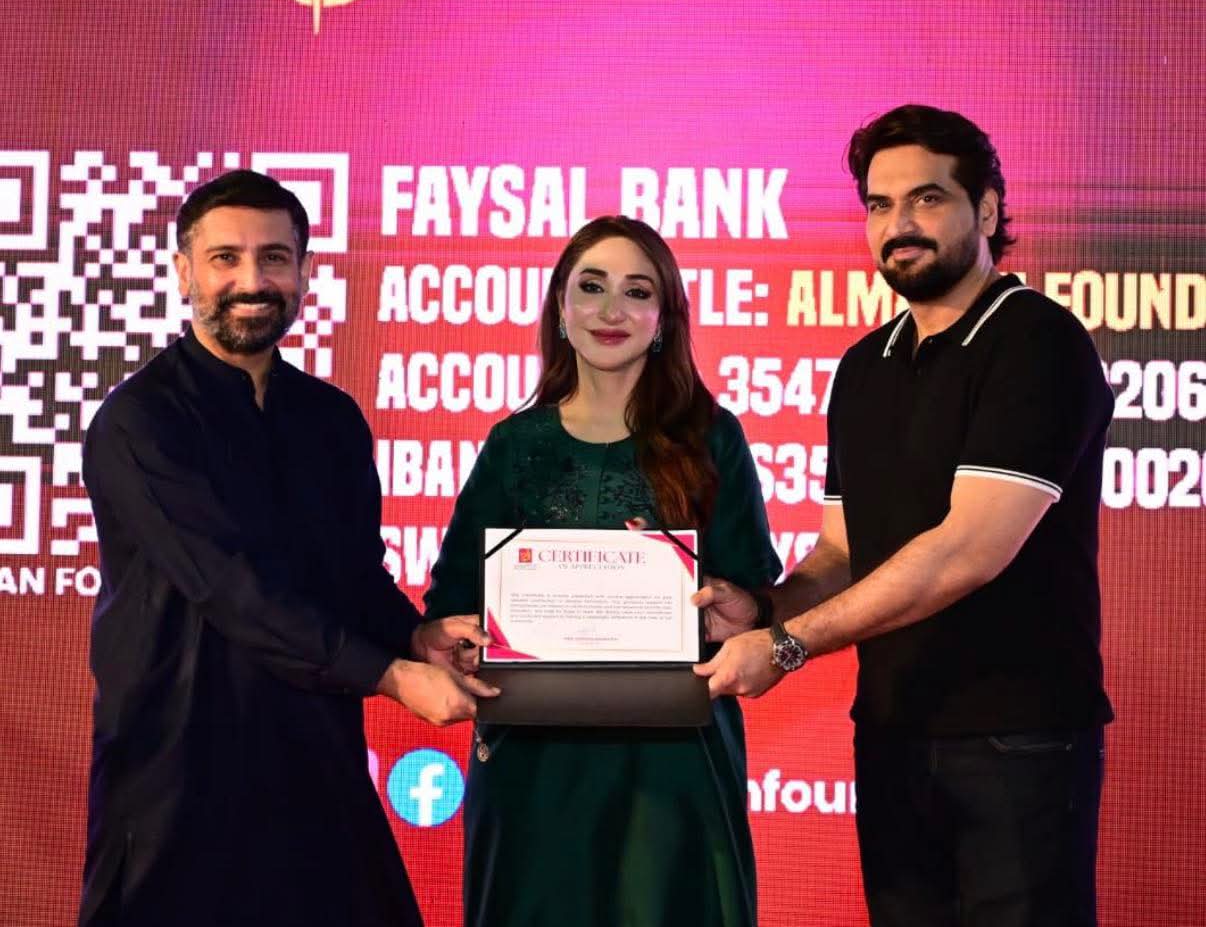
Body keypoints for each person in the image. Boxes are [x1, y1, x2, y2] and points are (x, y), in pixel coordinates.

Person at [697, 106, 1114, 926]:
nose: (899, 226)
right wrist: (764, 608)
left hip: (1018, 741)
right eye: (880, 205)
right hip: (892, 735)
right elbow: (841, 553)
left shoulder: (1038, 341)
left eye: (926, 198)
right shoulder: (865, 366)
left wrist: (786, 645)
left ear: (986, 209)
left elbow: (967, 550)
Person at [78, 170, 495, 927]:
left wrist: (415, 637)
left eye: (274, 258)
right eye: (225, 258)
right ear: (184, 272)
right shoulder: (140, 421)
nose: (252, 280)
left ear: (304, 271)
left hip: (316, 761)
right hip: (178, 778)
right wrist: (391, 675)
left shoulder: (331, 420)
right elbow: (231, 588)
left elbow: (352, 578)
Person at [424, 215, 782, 927]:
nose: (611, 309)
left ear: (664, 318)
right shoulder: (513, 442)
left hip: (673, 764)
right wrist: (450, 637)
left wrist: (735, 607)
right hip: (533, 763)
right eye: (591, 287)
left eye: (637, 291)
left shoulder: (712, 437)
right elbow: (451, 602)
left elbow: (759, 598)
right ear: (560, 307)